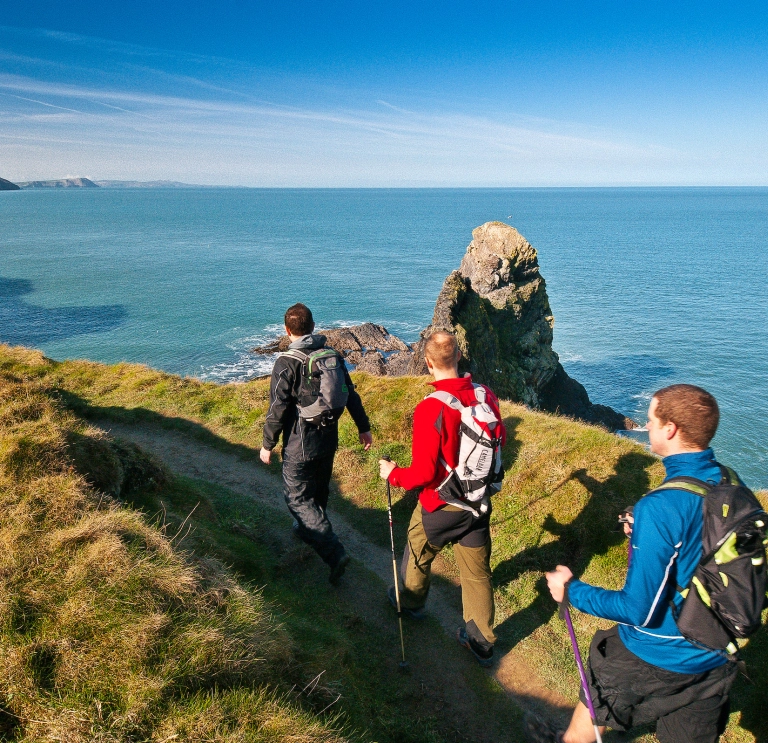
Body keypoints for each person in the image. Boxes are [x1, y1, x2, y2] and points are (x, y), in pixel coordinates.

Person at [533, 384, 740, 743]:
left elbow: (638, 610)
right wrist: (643, 531)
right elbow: (702, 548)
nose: (645, 426)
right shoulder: (729, 483)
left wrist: (571, 590)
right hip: (714, 654)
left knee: (596, 702)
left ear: (670, 429)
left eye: (650, 420)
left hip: (655, 651)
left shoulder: (661, 506)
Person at [378, 331, 505, 666]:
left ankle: (411, 604)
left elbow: (421, 473)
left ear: (427, 362)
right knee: (477, 573)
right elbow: (498, 441)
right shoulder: (486, 396)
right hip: (478, 501)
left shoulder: (430, 408)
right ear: (459, 355)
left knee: (417, 551)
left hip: (441, 504)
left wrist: (393, 473)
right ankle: (481, 641)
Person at [260, 303, 373, 584]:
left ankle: (333, 551)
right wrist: (364, 427)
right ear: (312, 327)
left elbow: (278, 407)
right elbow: (350, 394)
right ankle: (305, 528)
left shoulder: (286, 362)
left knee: (296, 496)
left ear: (287, 331)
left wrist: (267, 443)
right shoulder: (331, 355)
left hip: (300, 442)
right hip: (328, 437)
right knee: (318, 488)